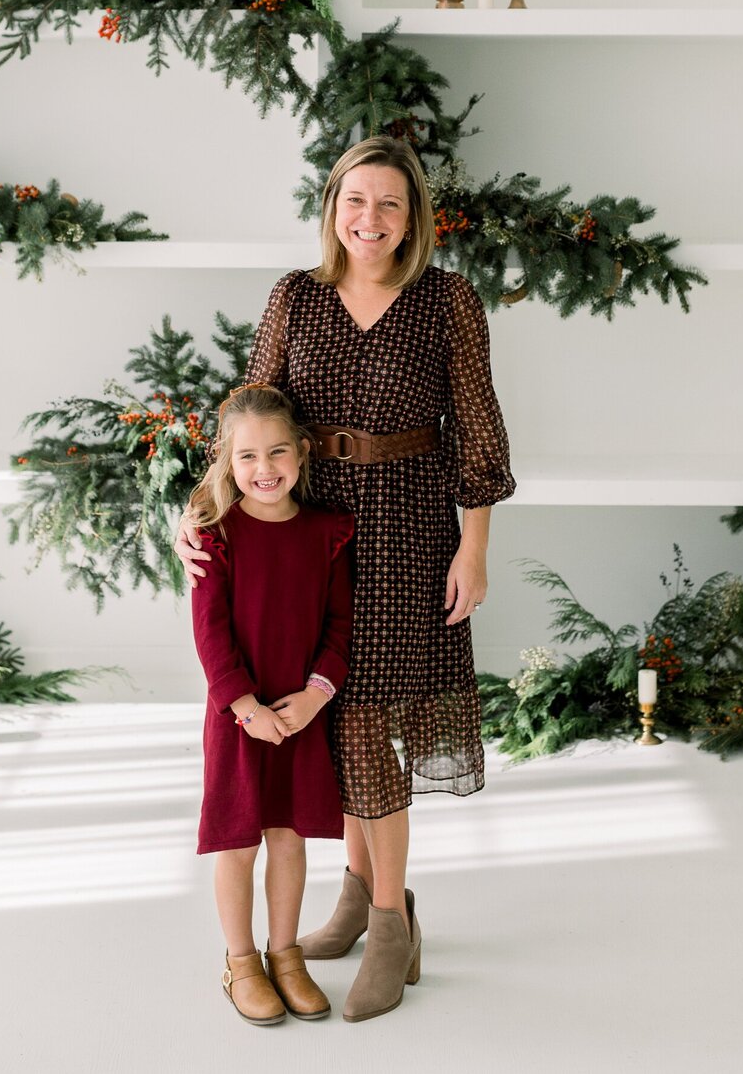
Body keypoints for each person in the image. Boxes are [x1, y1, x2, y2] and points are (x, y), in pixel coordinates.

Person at [177, 136, 515, 1024]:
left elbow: (477, 427)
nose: (370, 220)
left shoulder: (446, 301)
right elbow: (250, 413)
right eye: (354, 201)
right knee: (333, 723)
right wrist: (201, 508)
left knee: (371, 724)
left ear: (414, 219)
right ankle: (359, 899)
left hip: (407, 529)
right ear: (332, 208)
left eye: (390, 204)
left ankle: (395, 922)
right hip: (310, 533)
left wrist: (472, 547)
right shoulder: (297, 297)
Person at [189, 381, 355, 1027]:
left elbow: (340, 628)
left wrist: (315, 698)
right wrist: (246, 707)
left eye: (278, 453)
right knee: (239, 843)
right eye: (248, 457)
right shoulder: (215, 535)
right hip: (240, 718)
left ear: (303, 452)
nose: (265, 470)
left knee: (288, 838)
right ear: (228, 461)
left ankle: (286, 955)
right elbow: (211, 637)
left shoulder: (327, 533)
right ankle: (239, 963)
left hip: (300, 716)